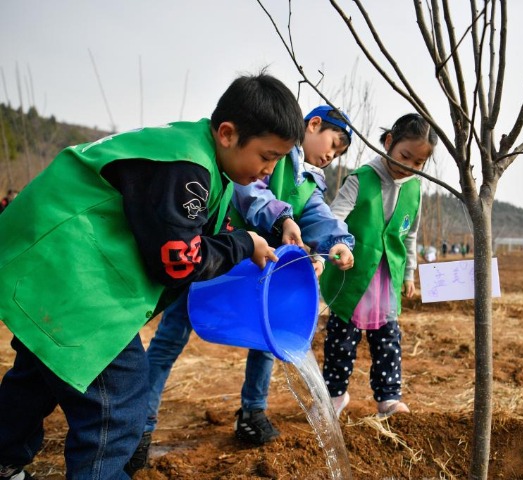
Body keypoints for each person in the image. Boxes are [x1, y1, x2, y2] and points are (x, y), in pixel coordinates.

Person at [0, 72, 306, 480]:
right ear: (229, 134)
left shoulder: (198, 156)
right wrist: (241, 245)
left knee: (40, 371)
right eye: (267, 156)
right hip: (73, 277)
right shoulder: (187, 168)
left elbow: (186, 232)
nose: (269, 170)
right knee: (119, 404)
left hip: (52, 268)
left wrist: (249, 241)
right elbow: (177, 261)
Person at [131, 106, 356, 472]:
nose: (332, 154)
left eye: (340, 153)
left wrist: (339, 242)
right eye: (334, 143)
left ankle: (252, 413)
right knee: (171, 335)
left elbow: (319, 216)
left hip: (258, 270)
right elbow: (251, 191)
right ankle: (140, 428)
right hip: (211, 255)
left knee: (268, 342)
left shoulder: (310, 181)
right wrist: (283, 218)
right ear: (312, 125)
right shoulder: (271, 154)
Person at [320, 113, 438, 418]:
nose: (408, 167)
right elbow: (336, 216)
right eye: (404, 156)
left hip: (386, 278)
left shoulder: (414, 189)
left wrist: (409, 273)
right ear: (388, 142)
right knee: (341, 337)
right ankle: (334, 394)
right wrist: (330, 247)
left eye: (418, 164)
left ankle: (388, 397)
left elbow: (409, 234)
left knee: (388, 338)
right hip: (354, 274)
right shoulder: (362, 178)